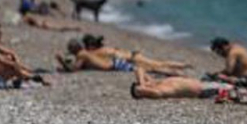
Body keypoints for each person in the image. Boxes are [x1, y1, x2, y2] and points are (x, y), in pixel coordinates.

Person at [0, 22, 50, 90]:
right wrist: (19, 67)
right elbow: (0, 61)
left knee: (11, 62)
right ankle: (32, 78)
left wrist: (18, 64)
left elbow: (11, 53)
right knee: (10, 64)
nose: (1, 35)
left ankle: (30, 79)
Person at [55, 39, 187, 76]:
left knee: (150, 68)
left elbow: (74, 69)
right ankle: (178, 69)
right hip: (116, 61)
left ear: (73, 49)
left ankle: (176, 73)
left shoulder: (82, 55)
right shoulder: (87, 53)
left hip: (115, 64)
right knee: (151, 67)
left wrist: (61, 62)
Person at [80, 34, 191, 74]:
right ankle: (183, 66)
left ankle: (180, 72)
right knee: (158, 64)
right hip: (133, 55)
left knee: (157, 67)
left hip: (132, 59)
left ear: (89, 46)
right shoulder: (104, 48)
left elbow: (89, 61)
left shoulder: (96, 52)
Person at [129, 67, 234, 100]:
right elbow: (157, 94)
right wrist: (141, 89)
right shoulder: (160, 90)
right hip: (202, 90)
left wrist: (142, 83)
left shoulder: (153, 82)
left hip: (201, 83)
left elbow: (139, 69)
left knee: (228, 84)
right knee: (232, 89)